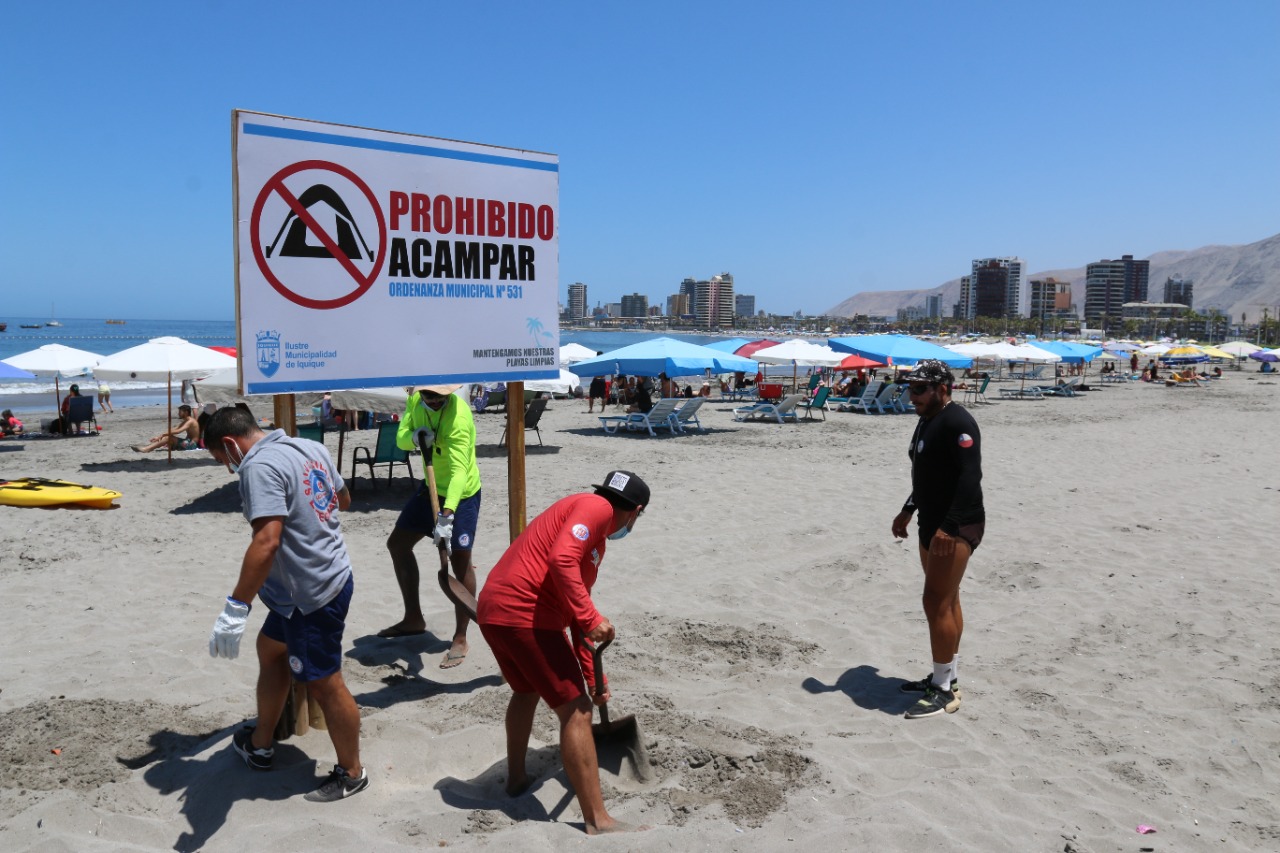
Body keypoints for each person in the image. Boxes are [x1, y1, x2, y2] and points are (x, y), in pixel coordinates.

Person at [203, 406, 368, 802]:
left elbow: (266, 542)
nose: (228, 467)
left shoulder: (258, 467)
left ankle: (352, 772)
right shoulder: (309, 447)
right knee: (270, 650)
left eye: (223, 460)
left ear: (229, 444)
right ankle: (260, 744)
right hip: (326, 576)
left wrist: (235, 608)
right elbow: (343, 499)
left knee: (326, 682)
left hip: (309, 596)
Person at [476, 470, 650, 835]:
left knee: (526, 691)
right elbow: (561, 560)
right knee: (577, 711)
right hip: (524, 614)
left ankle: (517, 780)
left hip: (495, 611)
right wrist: (591, 617)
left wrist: (594, 679)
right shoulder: (596, 508)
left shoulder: (594, 536)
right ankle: (597, 820)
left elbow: (573, 615)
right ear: (634, 511)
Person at [890, 360, 984, 720]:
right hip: (933, 521)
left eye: (918, 389)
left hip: (955, 525)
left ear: (942, 389)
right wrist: (908, 509)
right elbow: (925, 475)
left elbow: (969, 477)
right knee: (947, 599)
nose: (909, 395)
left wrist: (950, 526)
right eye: (908, 388)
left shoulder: (958, 421)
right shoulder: (927, 419)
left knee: (936, 603)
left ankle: (943, 691)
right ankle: (946, 677)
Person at [379, 385, 482, 670]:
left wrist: (448, 515)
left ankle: (460, 637)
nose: (435, 402)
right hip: (431, 487)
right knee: (398, 544)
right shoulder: (415, 400)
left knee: (460, 559)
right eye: (429, 397)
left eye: (440, 397)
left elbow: (461, 471)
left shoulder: (459, 417)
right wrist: (414, 438)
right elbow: (400, 440)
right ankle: (414, 618)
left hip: (462, 494)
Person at [133, 404, 201, 452]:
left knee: (168, 437)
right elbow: (174, 429)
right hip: (187, 443)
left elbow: (178, 431)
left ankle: (147, 449)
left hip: (191, 445)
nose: (178, 414)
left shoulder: (191, 421)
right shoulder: (186, 421)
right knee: (167, 437)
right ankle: (148, 447)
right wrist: (160, 436)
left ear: (186, 412)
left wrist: (163, 435)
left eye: (180, 412)